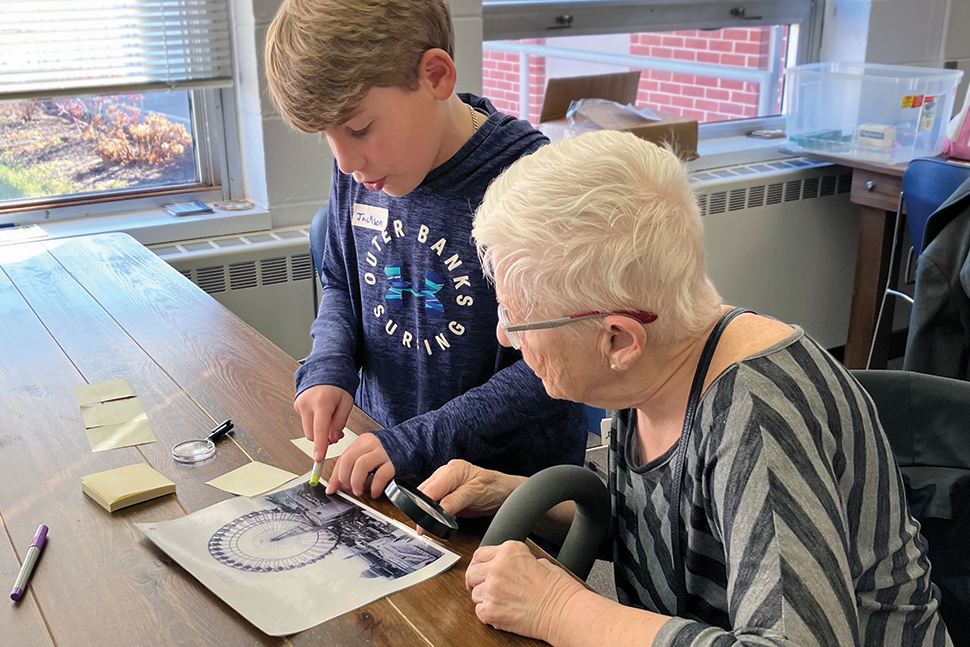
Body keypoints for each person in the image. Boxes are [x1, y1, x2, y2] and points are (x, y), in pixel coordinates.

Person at [420, 130, 952, 646]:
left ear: (617, 339)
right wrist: (514, 497)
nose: (504, 336)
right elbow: (675, 538)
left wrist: (562, 609)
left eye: (518, 319)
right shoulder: (657, 365)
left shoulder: (758, 413)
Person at [263, 0, 587, 499]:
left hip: (503, 494)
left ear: (436, 76)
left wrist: (417, 440)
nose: (345, 161)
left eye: (358, 128)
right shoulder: (362, 169)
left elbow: (557, 366)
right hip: (392, 464)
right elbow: (341, 283)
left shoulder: (531, 183)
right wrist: (329, 362)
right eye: (327, 138)